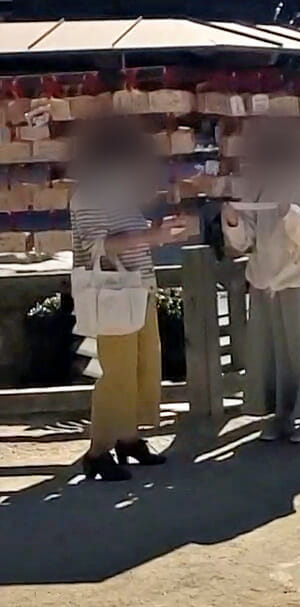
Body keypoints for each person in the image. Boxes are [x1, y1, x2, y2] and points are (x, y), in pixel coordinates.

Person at [69, 116, 194, 482]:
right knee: (115, 375)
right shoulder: (90, 194)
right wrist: (154, 238)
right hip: (112, 294)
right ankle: (98, 450)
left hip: (135, 290)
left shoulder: (117, 191)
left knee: (142, 368)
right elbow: (101, 246)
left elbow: (131, 234)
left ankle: (129, 437)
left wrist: (158, 232)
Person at [222, 119, 300, 442]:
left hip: (297, 278)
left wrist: (293, 214)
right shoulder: (259, 184)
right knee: (271, 352)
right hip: (262, 280)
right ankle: (281, 415)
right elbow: (248, 239)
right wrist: (233, 222)